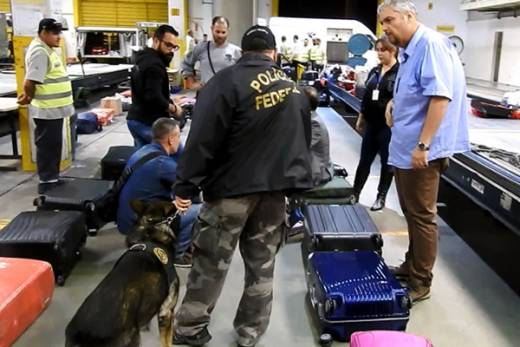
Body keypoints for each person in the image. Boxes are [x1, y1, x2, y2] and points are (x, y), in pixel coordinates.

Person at [171, 25, 313, 347]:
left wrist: (185, 186)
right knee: (262, 265)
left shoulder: (223, 83)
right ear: (273, 53)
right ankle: (250, 333)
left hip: (230, 194)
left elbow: (202, 141)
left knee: (210, 265)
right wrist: (295, 188)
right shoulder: (294, 90)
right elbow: (302, 143)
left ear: (241, 52)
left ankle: (190, 330)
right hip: (273, 195)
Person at [379, 0, 469, 302]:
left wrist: (424, 145)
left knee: (422, 216)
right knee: (411, 212)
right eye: (382, 23)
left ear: (409, 16)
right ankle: (411, 265)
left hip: (420, 152)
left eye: (390, 20)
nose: (386, 28)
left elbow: (440, 98)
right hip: (406, 148)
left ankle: (420, 282)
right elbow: (416, 91)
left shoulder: (430, 45)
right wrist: (394, 103)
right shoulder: (409, 50)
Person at [117, 118, 200, 266]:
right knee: (198, 209)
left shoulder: (143, 151)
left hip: (128, 218)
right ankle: (178, 256)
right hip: (140, 224)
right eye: (178, 136)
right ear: (171, 139)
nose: (179, 141)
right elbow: (190, 184)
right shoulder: (163, 164)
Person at [18, 18, 74, 194]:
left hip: (54, 109)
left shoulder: (47, 49)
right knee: (48, 146)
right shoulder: (40, 52)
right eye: (54, 33)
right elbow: (30, 81)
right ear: (43, 32)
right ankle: (46, 182)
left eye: (59, 33)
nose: (58, 37)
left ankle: (53, 178)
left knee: (53, 145)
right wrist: (28, 96)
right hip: (46, 109)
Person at [351, 36, 399, 211]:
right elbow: (365, 98)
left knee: (387, 163)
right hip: (371, 123)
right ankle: (355, 192)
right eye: (377, 50)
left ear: (392, 50)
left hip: (388, 127)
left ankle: (381, 196)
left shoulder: (400, 73)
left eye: (383, 50)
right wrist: (361, 118)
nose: (379, 53)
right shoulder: (374, 71)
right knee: (365, 160)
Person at [127, 25, 183, 148]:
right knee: (176, 152)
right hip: (147, 122)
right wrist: (173, 109)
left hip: (135, 118)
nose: (171, 51)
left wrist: (169, 100)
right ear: (156, 41)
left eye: (174, 47)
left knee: (143, 158)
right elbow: (153, 96)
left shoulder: (142, 58)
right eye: (168, 45)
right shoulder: (155, 65)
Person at [181, 16, 241, 89]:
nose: (220, 35)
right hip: (206, 94)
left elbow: (244, 72)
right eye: (217, 31)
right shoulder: (202, 48)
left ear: (228, 30)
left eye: (223, 32)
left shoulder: (236, 51)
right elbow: (186, 63)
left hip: (228, 95)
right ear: (212, 29)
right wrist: (191, 83)